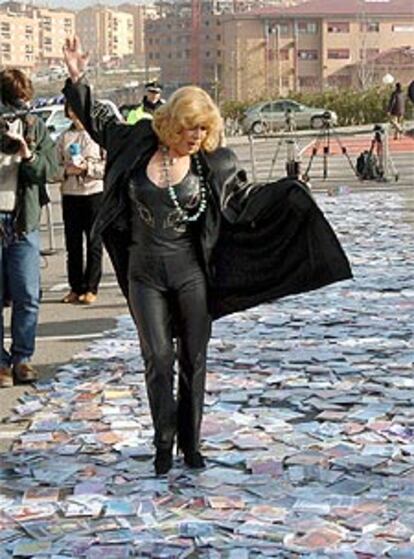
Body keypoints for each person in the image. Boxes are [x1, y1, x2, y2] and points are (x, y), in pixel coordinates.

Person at [62, 37, 352, 476]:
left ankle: (191, 445)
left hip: (190, 274)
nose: (195, 138)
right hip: (144, 273)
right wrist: (78, 77)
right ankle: (163, 445)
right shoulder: (136, 142)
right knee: (158, 358)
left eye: (202, 130)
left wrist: (291, 192)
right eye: (188, 129)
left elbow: (244, 199)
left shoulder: (213, 164)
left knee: (193, 359)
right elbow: (99, 121)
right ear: (170, 124)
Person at [0, 68, 58, 388]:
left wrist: (27, 153)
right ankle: (0, 364)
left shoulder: (35, 127)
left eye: (23, 103)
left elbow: (51, 170)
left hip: (24, 221)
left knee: (27, 293)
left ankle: (22, 357)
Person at [55, 102, 105, 305]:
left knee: (94, 242)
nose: (75, 116)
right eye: (71, 111)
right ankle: (75, 287)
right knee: (73, 244)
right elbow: (53, 168)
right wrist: (66, 171)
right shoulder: (63, 138)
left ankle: (91, 287)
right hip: (71, 194)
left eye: (78, 111)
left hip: (94, 194)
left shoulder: (98, 137)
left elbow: (107, 166)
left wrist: (87, 169)